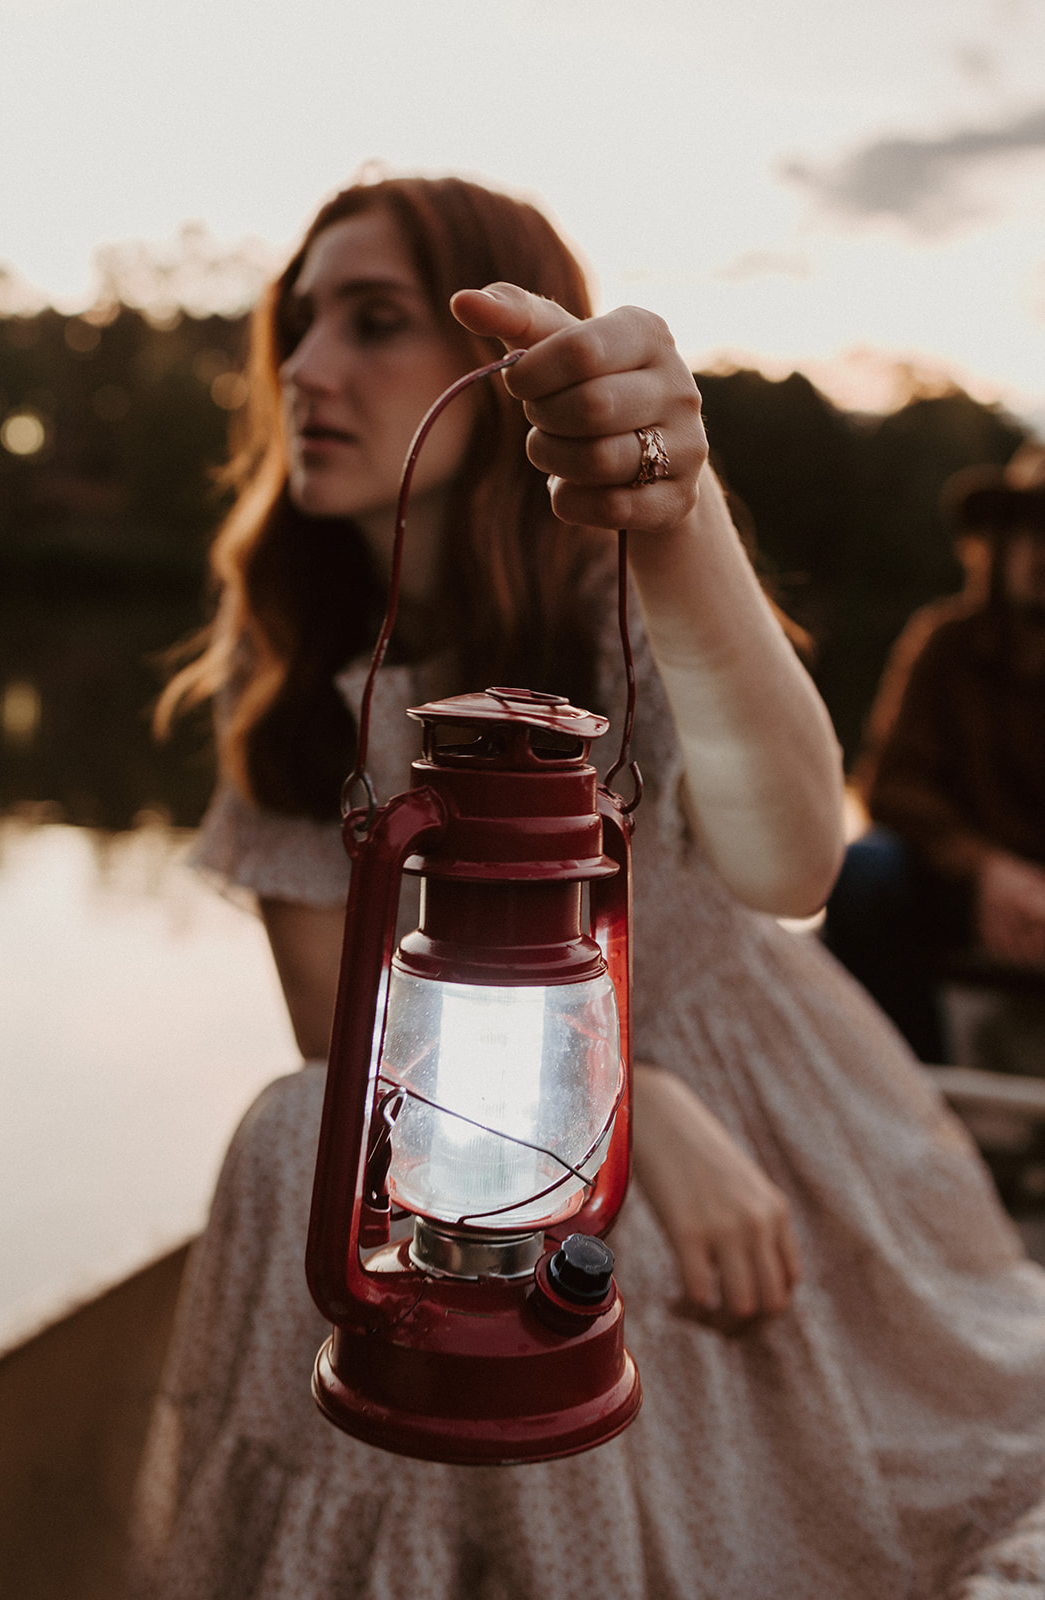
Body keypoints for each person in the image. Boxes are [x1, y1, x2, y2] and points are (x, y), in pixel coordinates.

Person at [131, 175, 1045, 1599]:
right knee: (289, 1138)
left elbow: (793, 858)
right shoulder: (298, 685)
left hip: (770, 1117)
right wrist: (639, 1102)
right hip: (466, 1151)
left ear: (497, 374)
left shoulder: (621, 600)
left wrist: (674, 529)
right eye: (298, 325)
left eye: (372, 322)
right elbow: (342, 1040)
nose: (304, 368)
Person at [825, 446, 1045, 1062]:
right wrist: (989, 872)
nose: (1040, 550)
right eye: (1027, 529)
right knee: (861, 873)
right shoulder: (946, 642)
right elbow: (892, 784)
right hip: (966, 886)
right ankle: (911, 1077)